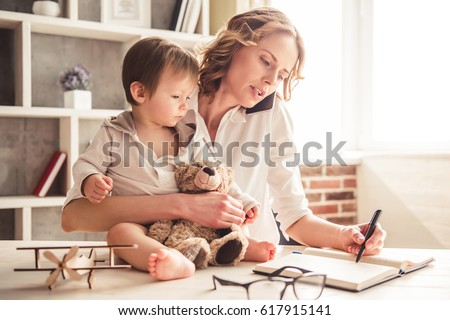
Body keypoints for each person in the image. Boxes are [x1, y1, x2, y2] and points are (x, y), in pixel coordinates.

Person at [62, 7, 385, 268]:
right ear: (235, 44)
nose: (271, 80)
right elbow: (75, 215)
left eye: (282, 74)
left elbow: (294, 215)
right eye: (266, 61)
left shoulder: (274, 116)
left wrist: (345, 235)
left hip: (249, 267)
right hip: (177, 262)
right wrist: (185, 206)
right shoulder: (173, 97)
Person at [63, 36, 275, 281]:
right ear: (140, 92)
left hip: (189, 224)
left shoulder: (190, 132)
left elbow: (217, 173)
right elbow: (85, 163)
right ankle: (167, 259)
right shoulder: (113, 132)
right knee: (118, 235)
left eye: (187, 97)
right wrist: (91, 179)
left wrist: (244, 202)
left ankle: (245, 246)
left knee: (225, 221)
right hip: (141, 224)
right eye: (176, 97)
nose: (185, 106)